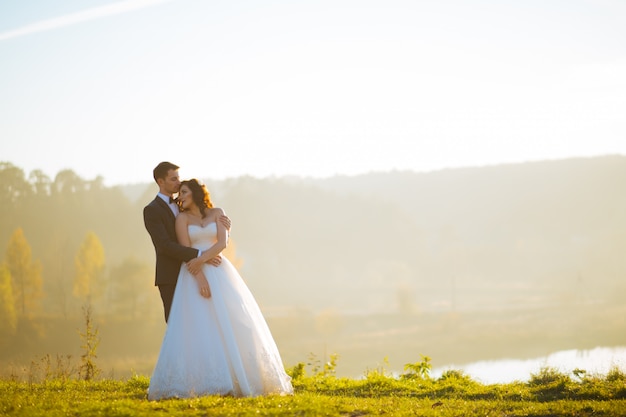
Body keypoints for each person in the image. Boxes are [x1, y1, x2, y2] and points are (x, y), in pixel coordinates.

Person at [148, 179, 293, 399]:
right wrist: (200, 276)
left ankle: (241, 375)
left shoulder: (218, 213)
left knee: (235, 320)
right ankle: (205, 380)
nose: (180, 197)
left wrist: (203, 258)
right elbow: (186, 251)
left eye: (184, 192)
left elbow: (222, 244)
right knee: (200, 325)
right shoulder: (182, 219)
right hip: (194, 274)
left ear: (196, 193)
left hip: (220, 270)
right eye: (179, 194)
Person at [143, 161, 230, 322]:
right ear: (160, 182)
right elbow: (164, 246)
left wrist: (225, 230)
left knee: (208, 319)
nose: (178, 182)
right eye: (173, 179)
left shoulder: (183, 204)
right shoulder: (152, 210)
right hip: (171, 275)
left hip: (203, 269)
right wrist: (201, 255)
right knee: (178, 325)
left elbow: (203, 229)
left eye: (178, 178)